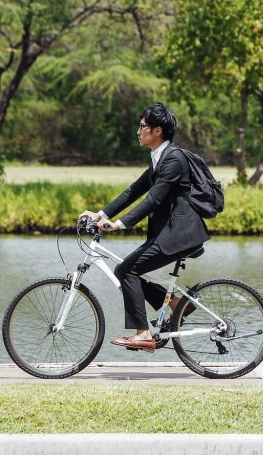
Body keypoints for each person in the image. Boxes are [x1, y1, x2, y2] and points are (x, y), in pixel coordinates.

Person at [78, 102, 210, 352]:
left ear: (157, 130)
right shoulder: (159, 159)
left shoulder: (174, 159)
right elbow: (134, 191)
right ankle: (181, 305)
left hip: (179, 235)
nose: (138, 131)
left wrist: (119, 224)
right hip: (169, 234)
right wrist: (100, 214)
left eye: (142, 127)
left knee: (127, 270)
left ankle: (143, 333)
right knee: (128, 270)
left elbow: (154, 199)